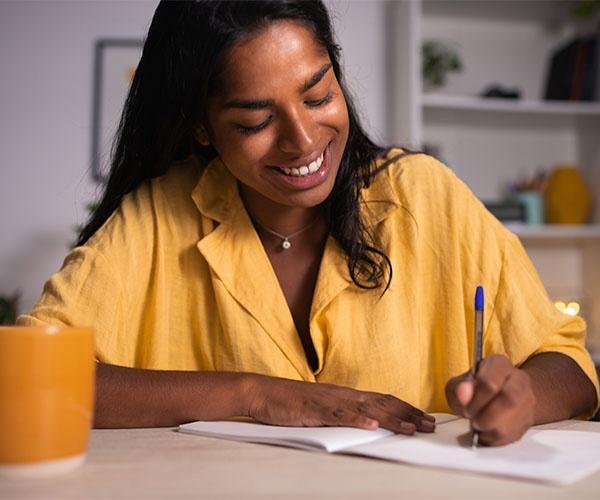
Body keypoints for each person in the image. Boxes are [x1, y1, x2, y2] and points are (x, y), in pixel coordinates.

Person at [19, 0, 598, 446]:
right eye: (254, 121)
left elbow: (569, 366)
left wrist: (520, 396)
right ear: (202, 128)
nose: (302, 142)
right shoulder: (159, 214)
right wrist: (253, 393)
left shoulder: (424, 195)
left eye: (318, 96)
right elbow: (24, 377)